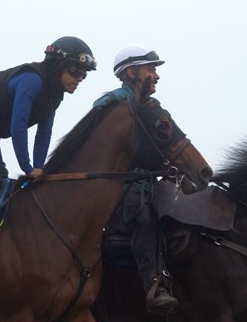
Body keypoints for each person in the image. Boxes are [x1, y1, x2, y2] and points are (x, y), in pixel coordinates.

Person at [0, 36, 96, 246]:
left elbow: (43, 134)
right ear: (58, 65)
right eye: (75, 71)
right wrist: (27, 168)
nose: (80, 79)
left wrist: (39, 167)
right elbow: (18, 126)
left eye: (84, 74)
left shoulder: (54, 96)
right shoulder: (32, 80)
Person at [93, 44, 178, 314]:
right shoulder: (112, 102)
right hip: (121, 186)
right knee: (142, 217)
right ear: (131, 73)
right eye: (151, 68)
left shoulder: (155, 107)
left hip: (149, 183)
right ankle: (155, 286)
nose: (157, 75)